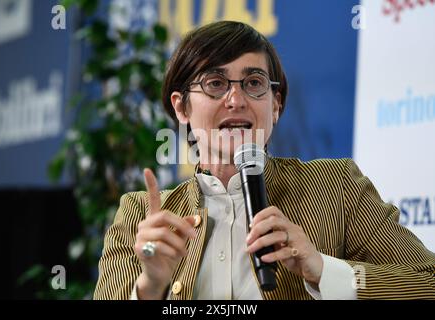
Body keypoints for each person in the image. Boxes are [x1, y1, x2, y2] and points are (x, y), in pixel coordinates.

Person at [94, 21, 435, 300]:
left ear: (275, 105)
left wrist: (322, 271)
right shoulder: (141, 214)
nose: (236, 99)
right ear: (181, 107)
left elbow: (427, 283)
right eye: (215, 83)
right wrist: (150, 288)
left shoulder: (338, 189)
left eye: (254, 83)